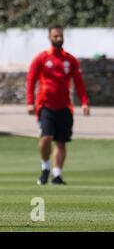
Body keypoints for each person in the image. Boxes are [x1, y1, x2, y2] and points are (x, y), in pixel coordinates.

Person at [27, 26, 90, 185]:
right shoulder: (41, 58)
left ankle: (57, 175)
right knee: (46, 138)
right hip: (46, 106)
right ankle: (45, 167)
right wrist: (30, 102)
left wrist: (84, 102)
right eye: (56, 36)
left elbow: (79, 83)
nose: (59, 38)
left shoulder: (70, 60)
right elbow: (31, 80)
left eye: (61, 36)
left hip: (64, 107)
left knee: (61, 142)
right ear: (49, 37)